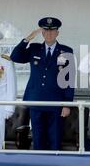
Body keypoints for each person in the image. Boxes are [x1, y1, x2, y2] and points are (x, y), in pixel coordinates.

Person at [10, 17, 75, 150]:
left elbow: (69, 79)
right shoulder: (34, 48)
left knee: (55, 139)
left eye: (52, 31)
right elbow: (15, 56)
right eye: (45, 31)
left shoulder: (66, 51)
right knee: (38, 139)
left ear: (57, 33)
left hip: (56, 103)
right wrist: (28, 38)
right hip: (36, 101)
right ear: (42, 33)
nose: (49, 34)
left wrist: (67, 103)